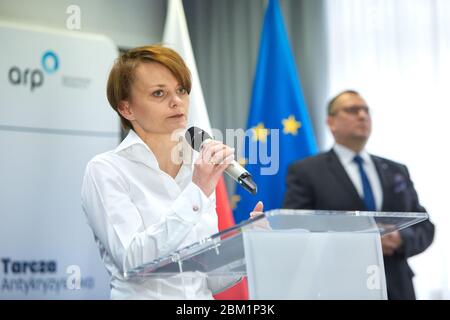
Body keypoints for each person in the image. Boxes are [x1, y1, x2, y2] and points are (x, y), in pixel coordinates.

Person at [81, 45, 263, 299]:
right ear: (126, 109)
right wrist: (197, 191)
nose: (177, 101)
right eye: (159, 93)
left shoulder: (197, 167)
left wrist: (247, 245)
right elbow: (133, 262)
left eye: (181, 90)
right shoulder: (106, 170)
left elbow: (207, 280)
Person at [283, 90, 435, 300]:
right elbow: (295, 230)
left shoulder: (396, 170)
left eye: (366, 111)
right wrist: (361, 242)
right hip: (338, 287)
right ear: (331, 122)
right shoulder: (306, 171)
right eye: (352, 110)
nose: (363, 116)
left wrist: (400, 238)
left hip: (398, 287)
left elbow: (425, 227)